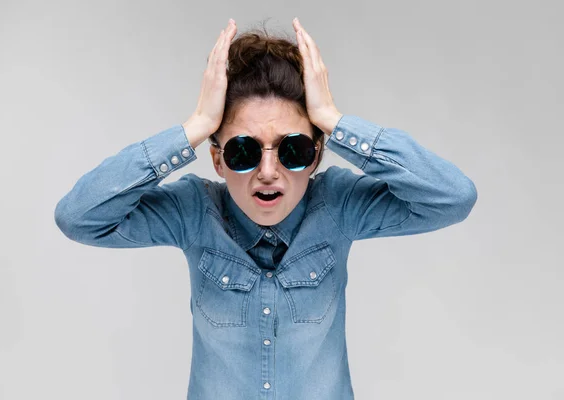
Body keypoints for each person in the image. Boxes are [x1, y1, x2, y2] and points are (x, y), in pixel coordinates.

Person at [54, 17, 477, 400]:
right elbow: (79, 217)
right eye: (243, 151)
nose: (268, 172)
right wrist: (195, 128)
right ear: (218, 160)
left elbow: (453, 196)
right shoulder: (194, 213)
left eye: (292, 148)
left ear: (315, 156)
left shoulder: (338, 205)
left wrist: (334, 119)